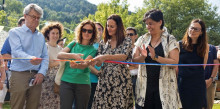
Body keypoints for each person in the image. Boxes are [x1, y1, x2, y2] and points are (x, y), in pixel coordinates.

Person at [133, 9, 182, 109]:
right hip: (144, 88)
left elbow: (174, 62)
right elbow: (134, 61)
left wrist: (156, 57)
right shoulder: (142, 39)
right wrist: (143, 56)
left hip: (165, 89)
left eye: (151, 23)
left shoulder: (170, 39)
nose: (148, 27)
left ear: (160, 22)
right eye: (147, 24)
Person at [8, 3, 49, 109]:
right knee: (17, 106)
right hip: (19, 74)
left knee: (33, 106)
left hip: (36, 76)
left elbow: (45, 56)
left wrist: (41, 73)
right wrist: (30, 58)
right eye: (33, 17)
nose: (36, 20)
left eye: (38, 18)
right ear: (25, 16)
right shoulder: (14, 32)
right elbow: (16, 51)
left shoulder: (41, 37)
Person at [92, 14, 133, 109]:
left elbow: (123, 56)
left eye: (112, 26)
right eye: (107, 26)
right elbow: (99, 62)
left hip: (121, 81)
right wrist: (95, 61)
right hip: (104, 81)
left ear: (118, 27)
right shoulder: (103, 42)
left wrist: (104, 57)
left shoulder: (126, 40)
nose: (108, 28)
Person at [57, 20, 97, 109]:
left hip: (83, 84)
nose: (86, 33)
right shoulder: (73, 43)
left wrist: (77, 65)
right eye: (84, 30)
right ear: (80, 31)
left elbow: (85, 64)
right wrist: (73, 56)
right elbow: (59, 55)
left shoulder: (93, 49)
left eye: (90, 31)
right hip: (66, 82)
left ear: (93, 33)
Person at [178, 19, 208, 109]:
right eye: (191, 28)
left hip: (198, 84)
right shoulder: (179, 45)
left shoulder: (205, 47)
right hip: (183, 83)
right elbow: (175, 67)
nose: (192, 30)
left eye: (196, 29)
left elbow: (203, 66)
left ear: (201, 32)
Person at [39, 22, 64, 109]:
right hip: (46, 81)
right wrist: (59, 61)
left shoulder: (61, 49)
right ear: (48, 34)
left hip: (58, 82)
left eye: (57, 33)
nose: (55, 35)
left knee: (56, 104)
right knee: (44, 104)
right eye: (53, 33)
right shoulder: (44, 47)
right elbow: (44, 64)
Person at [1, 16, 25, 102]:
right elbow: (4, 54)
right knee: (16, 98)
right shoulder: (11, 38)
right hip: (15, 71)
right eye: (23, 25)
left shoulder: (34, 38)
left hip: (30, 72)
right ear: (18, 26)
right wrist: (19, 58)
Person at [87, 22, 104, 109]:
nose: (98, 31)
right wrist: (98, 73)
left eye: (100, 29)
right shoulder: (89, 45)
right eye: (95, 29)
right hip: (89, 81)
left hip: (103, 82)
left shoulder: (106, 45)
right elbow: (86, 63)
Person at [126, 27, 138, 99]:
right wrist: (134, 66)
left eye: (131, 34)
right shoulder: (121, 49)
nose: (129, 36)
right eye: (127, 35)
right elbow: (121, 65)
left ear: (136, 36)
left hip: (137, 79)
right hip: (125, 78)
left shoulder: (139, 48)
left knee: (138, 102)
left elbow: (140, 65)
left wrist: (128, 66)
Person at [205, 44, 219, 109]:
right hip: (193, 82)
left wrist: (211, 79)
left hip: (209, 82)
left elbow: (216, 64)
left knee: (208, 106)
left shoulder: (212, 48)